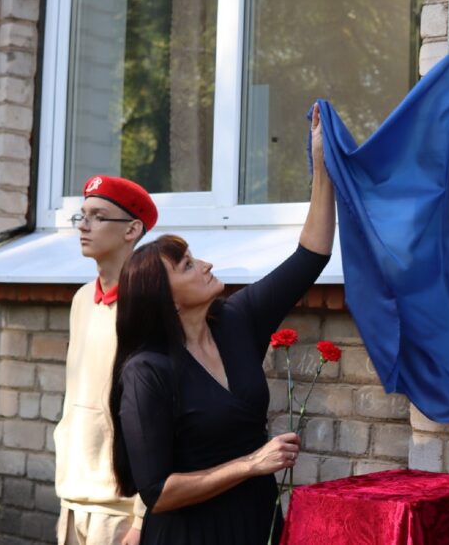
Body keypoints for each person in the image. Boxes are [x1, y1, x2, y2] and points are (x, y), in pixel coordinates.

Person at [108, 106, 335, 544]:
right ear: (166, 300)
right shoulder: (146, 372)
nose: (207, 264)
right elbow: (158, 492)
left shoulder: (235, 320)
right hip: (190, 534)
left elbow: (311, 256)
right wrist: (251, 464)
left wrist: (322, 167)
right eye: (189, 265)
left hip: (256, 522)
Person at [55, 175, 158, 545]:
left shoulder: (148, 306)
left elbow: (159, 414)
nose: (83, 226)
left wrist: (143, 517)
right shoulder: (82, 298)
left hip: (121, 509)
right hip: (72, 496)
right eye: (81, 216)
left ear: (132, 229)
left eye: (98, 216)